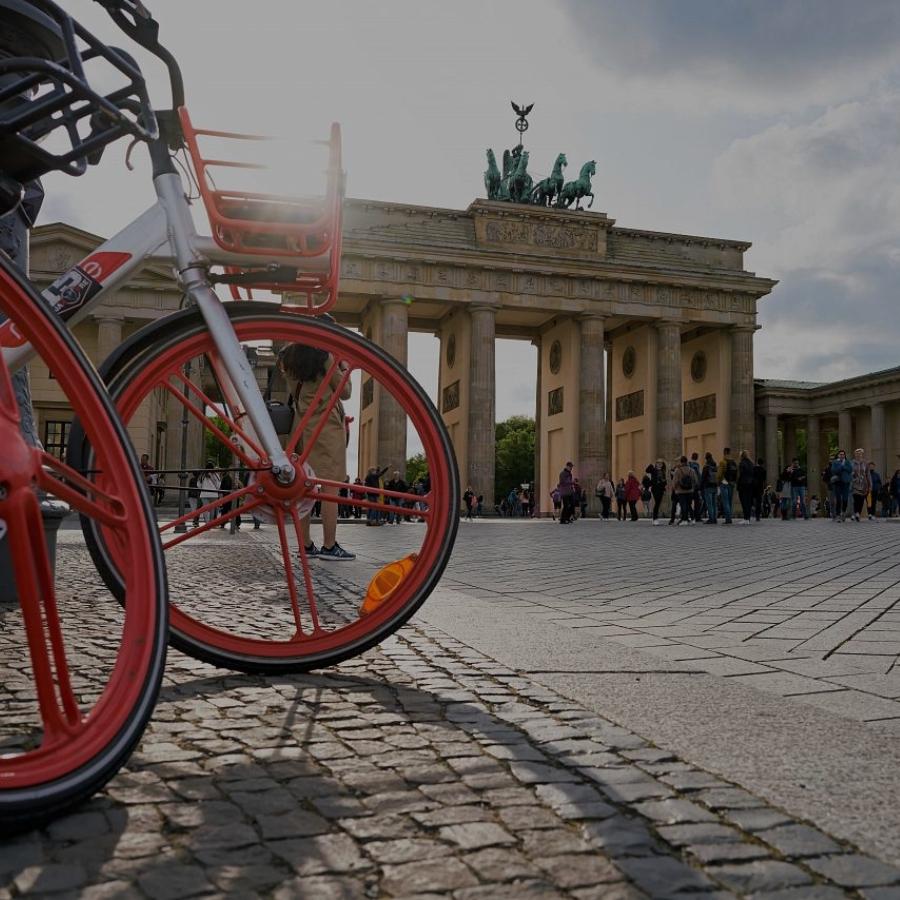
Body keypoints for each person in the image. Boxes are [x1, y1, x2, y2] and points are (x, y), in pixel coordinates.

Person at [279, 343, 356, 559]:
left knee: (304, 489)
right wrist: (344, 367)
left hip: (301, 426)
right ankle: (330, 546)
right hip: (326, 426)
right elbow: (346, 392)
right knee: (330, 489)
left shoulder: (287, 358)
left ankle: (306, 545)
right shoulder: (325, 356)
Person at [671, 456, 698, 525]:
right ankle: (693, 519)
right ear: (686, 461)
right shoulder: (691, 470)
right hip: (690, 490)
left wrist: (674, 488)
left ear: (681, 462)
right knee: (689, 505)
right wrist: (693, 487)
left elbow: (675, 481)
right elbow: (695, 480)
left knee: (683, 505)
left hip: (680, 491)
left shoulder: (678, 470)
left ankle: (684, 520)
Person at [829, 450, 852, 522]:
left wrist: (843, 467)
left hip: (846, 483)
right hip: (838, 482)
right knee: (838, 499)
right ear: (838, 455)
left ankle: (843, 513)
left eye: (843, 454)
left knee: (845, 499)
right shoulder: (835, 462)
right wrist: (841, 467)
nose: (842, 456)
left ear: (845, 455)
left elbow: (850, 469)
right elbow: (833, 470)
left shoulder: (847, 462)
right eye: (840, 454)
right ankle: (838, 515)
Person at [850, 448, 870, 523]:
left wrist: (870, 484)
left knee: (861, 499)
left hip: (863, 483)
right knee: (856, 498)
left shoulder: (865, 463)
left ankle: (858, 513)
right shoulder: (851, 463)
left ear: (862, 454)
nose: (859, 455)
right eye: (857, 453)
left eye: (860, 453)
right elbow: (849, 472)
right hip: (855, 483)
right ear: (855, 454)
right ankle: (856, 513)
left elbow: (868, 474)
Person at [717, 448, 736, 524]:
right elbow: (737, 474)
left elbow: (719, 474)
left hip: (724, 483)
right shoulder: (733, 462)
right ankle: (729, 516)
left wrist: (718, 482)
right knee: (730, 502)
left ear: (724, 452)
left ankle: (728, 519)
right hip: (732, 483)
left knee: (725, 502)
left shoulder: (723, 462)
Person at [735, 450, 754, 524]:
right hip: (750, 484)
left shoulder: (742, 463)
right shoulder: (751, 463)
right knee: (748, 501)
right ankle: (748, 518)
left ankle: (745, 518)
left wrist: (737, 482)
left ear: (741, 456)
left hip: (743, 484)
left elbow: (740, 475)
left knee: (743, 501)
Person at [700, 452, 719, 524]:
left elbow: (703, 478)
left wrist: (700, 487)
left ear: (706, 458)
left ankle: (711, 519)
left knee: (709, 504)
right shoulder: (715, 466)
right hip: (715, 486)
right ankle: (715, 518)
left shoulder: (706, 466)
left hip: (708, 486)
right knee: (714, 503)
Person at [648, 460, 667, 524]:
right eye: (658, 463)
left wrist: (664, 485)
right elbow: (647, 470)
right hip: (655, 488)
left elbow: (664, 481)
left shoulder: (663, 471)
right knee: (657, 502)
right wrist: (651, 464)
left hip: (661, 489)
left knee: (658, 503)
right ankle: (655, 518)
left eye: (660, 463)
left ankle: (655, 518)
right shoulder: (653, 470)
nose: (659, 464)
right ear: (656, 464)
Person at [751, 457, 767, 522]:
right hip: (760, 488)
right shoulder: (763, 470)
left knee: (751, 501)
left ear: (757, 462)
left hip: (753, 487)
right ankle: (757, 516)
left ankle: (749, 514)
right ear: (762, 463)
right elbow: (764, 480)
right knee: (759, 502)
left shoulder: (753, 468)